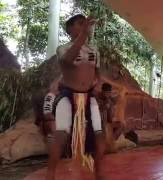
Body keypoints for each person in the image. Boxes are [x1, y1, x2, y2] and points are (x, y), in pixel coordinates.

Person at [46, 14, 105, 180]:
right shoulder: (63, 49)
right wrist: (84, 35)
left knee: (100, 134)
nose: (85, 25)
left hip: (88, 97)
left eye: (85, 23)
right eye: (80, 23)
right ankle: (50, 174)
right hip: (68, 95)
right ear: (70, 29)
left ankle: (99, 173)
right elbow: (67, 61)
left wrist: (98, 85)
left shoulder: (94, 50)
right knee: (61, 134)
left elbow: (98, 74)